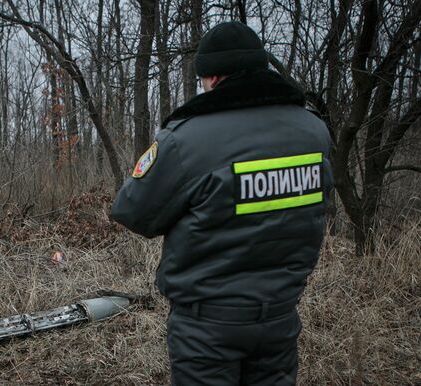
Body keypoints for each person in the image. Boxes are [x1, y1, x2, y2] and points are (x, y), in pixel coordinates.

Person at [111, 21, 333, 386]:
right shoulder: (313, 131)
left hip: (207, 329)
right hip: (280, 319)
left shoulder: (187, 140)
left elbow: (132, 211)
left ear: (212, 78)